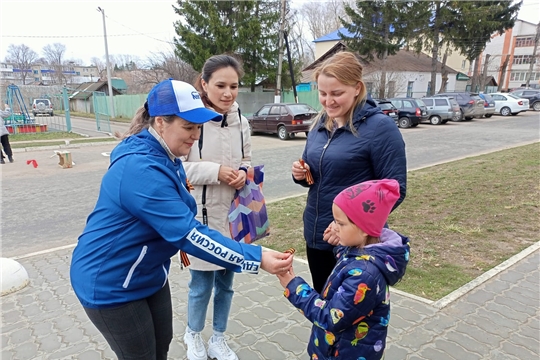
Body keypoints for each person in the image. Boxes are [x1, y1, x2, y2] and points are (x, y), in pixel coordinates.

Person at [70, 79, 294, 360]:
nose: (195, 136)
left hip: (148, 273)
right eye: (188, 127)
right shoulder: (140, 168)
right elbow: (188, 234)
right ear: (161, 122)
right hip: (110, 282)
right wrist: (257, 257)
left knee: (160, 347)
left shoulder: (167, 156)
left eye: (198, 127)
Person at [291, 51, 407, 293]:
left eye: (336, 93)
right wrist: (302, 175)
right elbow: (320, 175)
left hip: (354, 243)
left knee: (349, 317)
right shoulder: (320, 124)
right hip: (317, 234)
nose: (328, 101)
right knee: (323, 309)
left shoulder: (380, 128)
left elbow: (394, 189)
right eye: (322, 93)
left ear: (357, 88)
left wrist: (347, 226)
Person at [277, 179, 410, 360]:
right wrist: (340, 240)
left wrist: (293, 287)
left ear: (364, 228)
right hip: (335, 347)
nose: (334, 227)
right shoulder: (358, 250)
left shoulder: (365, 276)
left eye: (340, 223)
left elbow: (331, 317)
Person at [180, 55, 249, 360]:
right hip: (200, 218)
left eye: (233, 86)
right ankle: (192, 335)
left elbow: (247, 160)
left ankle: (218, 338)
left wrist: (244, 173)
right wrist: (217, 171)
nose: (227, 93)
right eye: (220, 85)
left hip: (232, 217)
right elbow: (179, 169)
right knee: (200, 284)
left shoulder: (241, 122)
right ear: (204, 84)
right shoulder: (192, 122)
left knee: (227, 283)